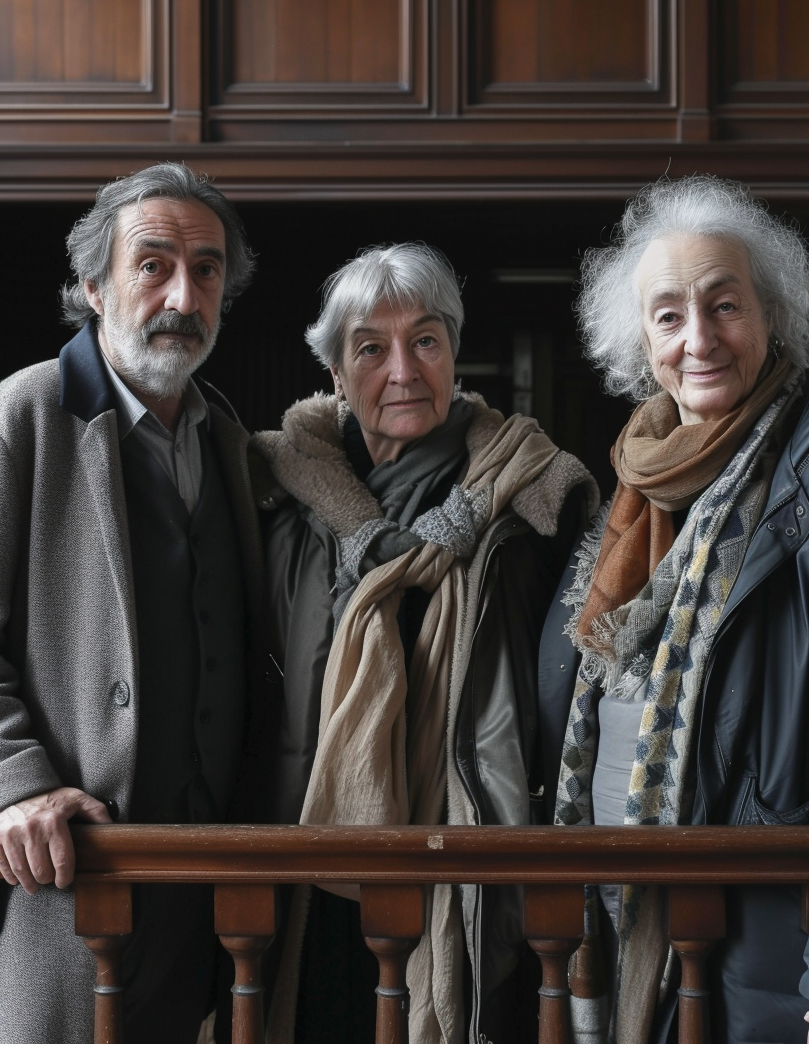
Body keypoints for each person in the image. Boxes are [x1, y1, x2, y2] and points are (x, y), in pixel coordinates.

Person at [539, 174, 809, 1044]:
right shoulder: (634, 486)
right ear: (640, 342)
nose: (699, 338)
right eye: (668, 314)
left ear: (772, 318)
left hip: (781, 948)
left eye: (725, 305)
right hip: (641, 942)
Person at [0, 162, 270, 1044]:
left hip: (197, 901)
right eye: (153, 265)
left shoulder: (231, 443)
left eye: (207, 271)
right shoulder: (18, 420)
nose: (182, 295)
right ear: (93, 284)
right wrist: (9, 786)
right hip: (52, 886)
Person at [249, 242, 598, 1044]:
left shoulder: (537, 500)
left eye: (427, 340)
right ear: (336, 373)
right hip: (312, 859)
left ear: (454, 354)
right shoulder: (277, 498)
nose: (402, 370)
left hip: (472, 861)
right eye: (371, 348)